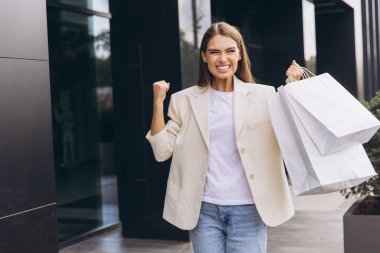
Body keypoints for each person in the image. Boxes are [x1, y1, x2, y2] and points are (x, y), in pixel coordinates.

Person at [146, 22, 303, 253]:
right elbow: (161, 152)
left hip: (250, 209)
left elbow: (291, 134)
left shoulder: (265, 96)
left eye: (230, 50)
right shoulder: (184, 100)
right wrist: (158, 102)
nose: (223, 58)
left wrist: (293, 86)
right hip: (204, 210)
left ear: (239, 54)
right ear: (204, 56)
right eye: (214, 52)